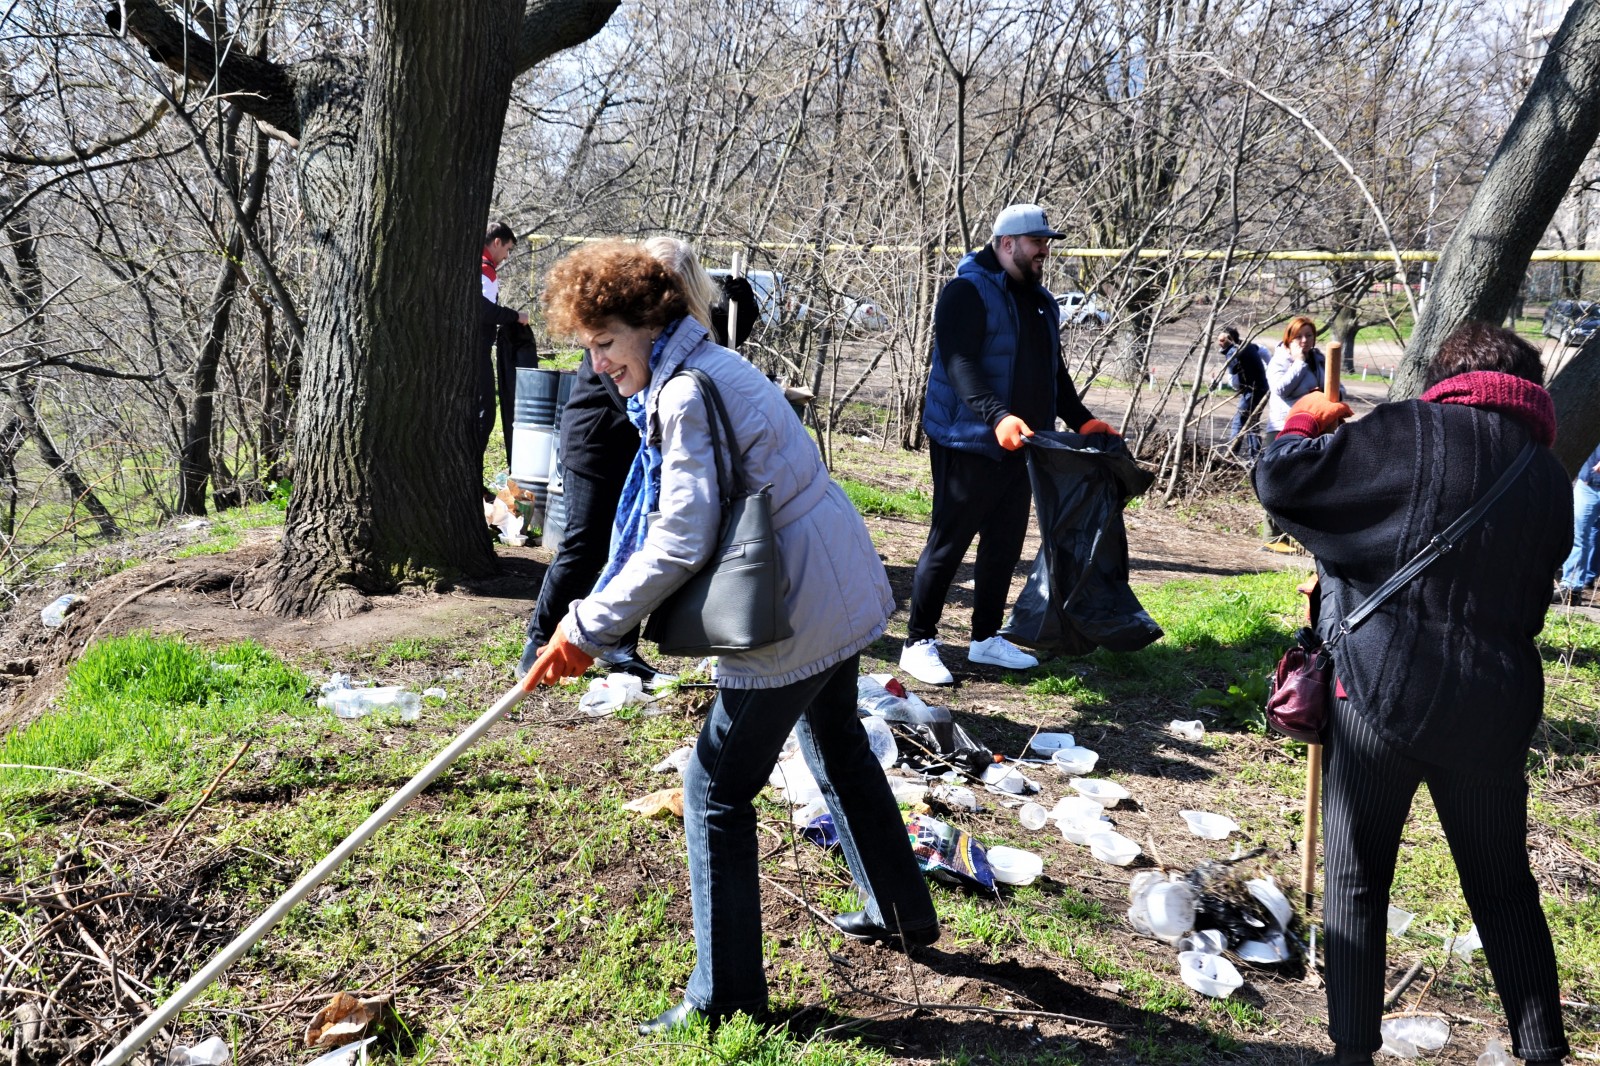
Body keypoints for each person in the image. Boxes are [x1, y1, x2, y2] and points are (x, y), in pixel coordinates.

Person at [520, 240, 937, 1034]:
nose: (600, 365)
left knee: (713, 789)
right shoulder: (711, 362)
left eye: (606, 344)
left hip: (792, 600)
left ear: (650, 321)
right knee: (837, 742)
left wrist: (586, 627)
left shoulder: (683, 393)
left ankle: (726, 999)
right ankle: (901, 910)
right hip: (833, 579)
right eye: (591, 348)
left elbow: (681, 538)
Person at [1254, 321, 1571, 1066]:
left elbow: (1284, 479)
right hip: (1495, 706)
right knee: (1503, 889)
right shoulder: (1550, 477)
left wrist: (1304, 420)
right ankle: (1544, 1051)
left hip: (1380, 693)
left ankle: (1354, 1053)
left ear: (1449, 374)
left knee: (1357, 877)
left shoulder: (1411, 429)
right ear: (1527, 387)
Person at [517, 237, 756, 683]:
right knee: (585, 544)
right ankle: (540, 639)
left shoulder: (665, 337)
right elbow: (643, 393)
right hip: (595, 443)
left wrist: (744, 308)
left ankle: (617, 645)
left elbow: (704, 345)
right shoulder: (617, 338)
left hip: (636, 448)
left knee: (637, 545)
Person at [899, 203, 1114, 687]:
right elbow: (959, 365)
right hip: (968, 437)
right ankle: (918, 641)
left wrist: (1082, 420)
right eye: (1038, 242)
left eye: (1047, 243)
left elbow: (1051, 371)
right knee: (949, 541)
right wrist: (996, 416)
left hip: (1024, 442)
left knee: (1004, 543)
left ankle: (985, 638)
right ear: (1007, 244)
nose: (1045, 251)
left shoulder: (1041, 301)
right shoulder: (965, 292)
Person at [1260, 316, 1327, 545]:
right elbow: (1280, 389)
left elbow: (1331, 384)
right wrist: (1298, 362)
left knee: (1305, 482)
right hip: (1282, 427)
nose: (1304, 341)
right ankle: (1273, 537)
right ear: (1289, 337)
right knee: (1277, 481)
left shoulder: (1317, 359)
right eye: (1299, 336)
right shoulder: (1279, 360)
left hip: (1311, 426)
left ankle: (1298, 536)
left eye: (1309, 335)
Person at [478, 221, 530, 474]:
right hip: (476, 353)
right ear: (496, 242)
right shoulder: (486, 270)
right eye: (507, 249)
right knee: (485, 415)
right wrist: (515, 316)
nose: (507, 256)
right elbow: (484, 311)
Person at [1554, 440, 1600, 605]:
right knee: (1578, 535)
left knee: (1595, 535)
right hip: (1589, 485)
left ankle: (1587, 577)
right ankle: (1572, 589)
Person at [1217, 325, 1267, 457]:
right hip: (1262, 388)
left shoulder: (1233, 352)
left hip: (1253, 390)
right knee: (1252, 422)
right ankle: (1256, 457)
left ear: (1230, 339)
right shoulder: (1248, 345)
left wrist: (1239, 387)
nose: (1219, 343)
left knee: (1239, 422)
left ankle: (1231, 456)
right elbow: (1264, 351)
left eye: (1222, 340)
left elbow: (1234, 380)